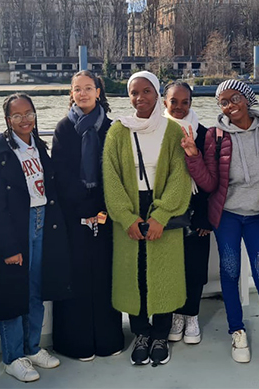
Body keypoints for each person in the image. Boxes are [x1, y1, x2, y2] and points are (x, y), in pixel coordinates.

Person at [182, 79, 259, 381]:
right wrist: (192, 155)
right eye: (223, 102)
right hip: (227, 216)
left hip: (257, 216)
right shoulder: (215, 136)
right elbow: (210, 183)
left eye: (234, 99)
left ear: (247, 99)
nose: (229, 106)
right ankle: (236, 330)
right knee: (229, 272)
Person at [0, 94, 72, 383]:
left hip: (43, 222)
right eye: (16, 115)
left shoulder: (39, 149)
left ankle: (32, 347)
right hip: (16, 228)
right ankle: (12, 357)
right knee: (12, 293)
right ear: (7, 120)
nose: (24, 120)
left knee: (35, 289)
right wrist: (8, 246)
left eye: (28, 113)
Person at [103, 71, 191, 367]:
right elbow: (111, 178)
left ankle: (160, 335)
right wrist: (126, 218)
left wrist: (162, 216)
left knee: (163, 273)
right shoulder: (118, 131)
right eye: (134, 93)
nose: (140, 98)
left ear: (157, 95)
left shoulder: (173, 131)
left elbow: (180, 177)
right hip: (129, 207)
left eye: (146, 92)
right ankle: (141, 333)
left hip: (163, 206)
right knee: (135, 273)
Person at [51, 71, 124, 361]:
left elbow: (117, 172)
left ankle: (108, 339)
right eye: (77, 89)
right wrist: (84, 211)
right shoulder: (63, 129)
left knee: (106, 276)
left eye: (88, 88)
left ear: (98, 91)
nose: (82, 94)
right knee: (76, 278)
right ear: (71, 93)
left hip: (107, 215)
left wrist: (103, 209)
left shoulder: (112, 128)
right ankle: (76, 343)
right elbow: (61, 174)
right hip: (74, 217)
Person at [162, 80, 212, 345]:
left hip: (196, 211)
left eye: (185, 102)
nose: (179, 107)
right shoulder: (156, 131)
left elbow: (209, 179)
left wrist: (205, 217)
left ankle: (191, 314)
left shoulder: (203, 134)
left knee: (194, 267)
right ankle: (174, 315)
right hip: (167, 211)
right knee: (171, 267)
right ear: (164, 102)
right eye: (174, 102)